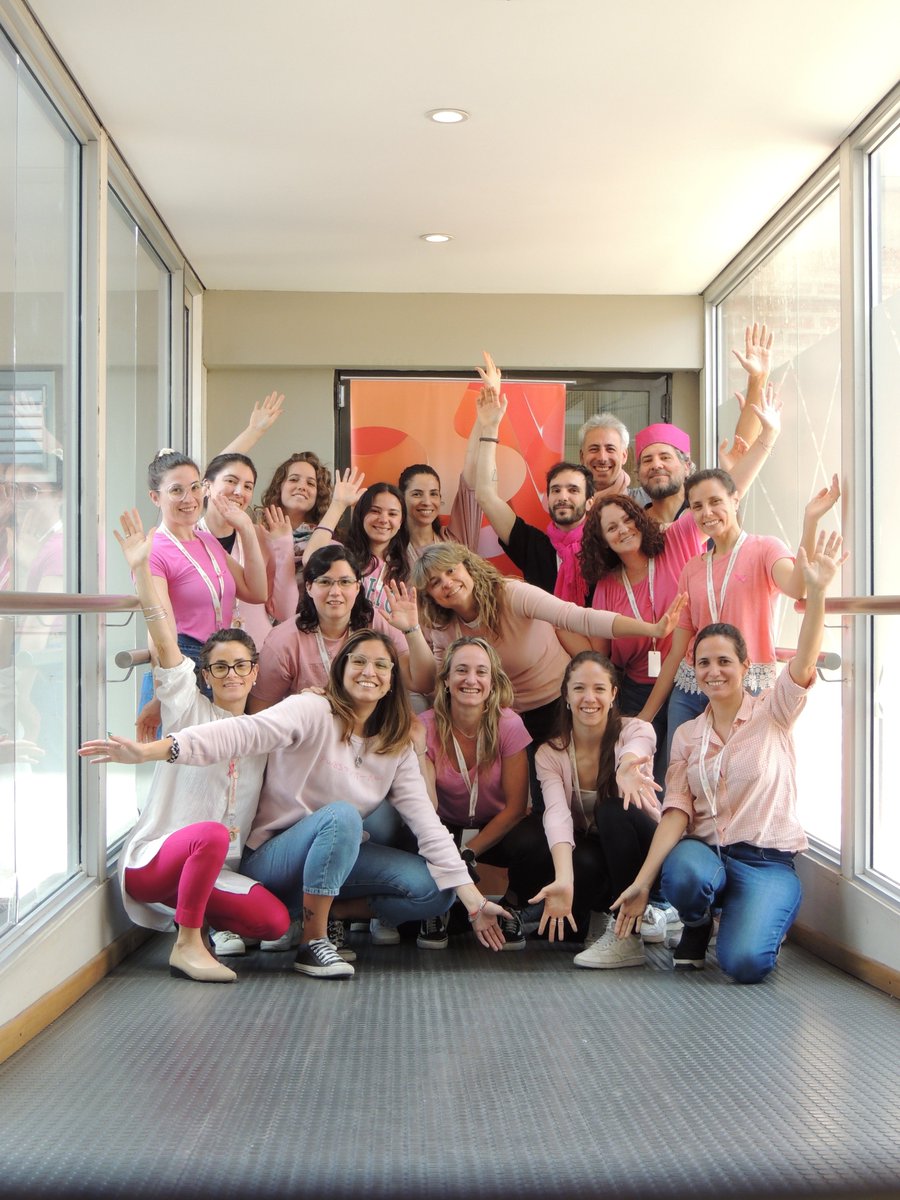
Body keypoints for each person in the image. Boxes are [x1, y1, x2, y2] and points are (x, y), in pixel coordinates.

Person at [85, 629, 513, 979]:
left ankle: (324, 910)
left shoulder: (395, 744)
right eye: (359, 661)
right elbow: (238, 734)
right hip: (272, 857)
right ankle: (314, 941)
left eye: (381, 665)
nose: (370, 672)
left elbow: (427, 826)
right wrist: (156, 750)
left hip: (331, 858)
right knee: (342, 815)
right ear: (341, 669)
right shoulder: (311, 709)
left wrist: (474, 903)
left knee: (436, 890)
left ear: (391, 680)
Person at [611, 531, 847, 984]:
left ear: (744, 666)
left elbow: (803, 662)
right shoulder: (686, 735)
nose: (713, 672)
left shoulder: (773, 712)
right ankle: (697, 923)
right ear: (694, 671)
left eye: (724, 662)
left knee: (744, 965)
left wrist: (816, 593)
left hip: (765, 861)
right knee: (682, 872)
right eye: (703, 663)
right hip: (707, 855)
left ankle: (749, 916)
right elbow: (676, 813)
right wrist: (643, 882)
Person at [79, 509, 290, 984]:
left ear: (255, 672)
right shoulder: (187, 709)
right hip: (156, 862)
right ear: (206, 676)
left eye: (241, 666)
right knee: (210, 833)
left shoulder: (265, 732)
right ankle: (187, 943)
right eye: (220, 667)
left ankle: (196, 914)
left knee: (274, 923)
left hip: (214, 870)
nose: (232, 675)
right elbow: (164, 637)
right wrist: (140, 571)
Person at [578, 381, 783, 781]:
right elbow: (602, 653)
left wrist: (766, 436)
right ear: (599, 539)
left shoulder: (676, 540)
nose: (621, 531)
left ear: (641, 520)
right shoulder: (605, 586)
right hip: (638, 688)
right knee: (644, 779)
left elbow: (727, 487)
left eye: (626, 521)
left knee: (699, 775)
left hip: (693, 678)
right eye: (610, 528)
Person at [639, 466, 842, 760]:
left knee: (741, 779)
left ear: (735, 500)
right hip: (691, 689)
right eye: (697, 506)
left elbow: (799, 586)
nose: (707, 512)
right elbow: (677, 651)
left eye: (715, 501)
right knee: (681, 781)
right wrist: (646, 715)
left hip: (749, 689)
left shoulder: (764, 548)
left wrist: (810, 521)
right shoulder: (692, 568)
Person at [410, 543, 685, 752]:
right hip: (508, 719)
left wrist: (652, 629)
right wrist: (410, 630)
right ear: (430, 594)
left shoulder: (511, 594)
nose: (447, 583)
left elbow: (579, 617)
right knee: (538, 802)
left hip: (561, 706)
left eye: (450, 570)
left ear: (467, 567)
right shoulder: (443, 626)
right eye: (435, 582)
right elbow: (430, 683)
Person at [530, 651, 675, 968]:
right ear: (566, 695)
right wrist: (564, 880)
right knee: (571, 856)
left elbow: (640, 746)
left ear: (613, 695)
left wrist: (625, 768)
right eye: (579, 688)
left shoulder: (634, 730)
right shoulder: (550, 753)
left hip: (651, 852)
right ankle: (605, 913)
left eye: (599, 688)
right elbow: (557, 816)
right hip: (603, 851)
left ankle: (628, 938)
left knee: (613, 808)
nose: (589, 698)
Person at [414, 637, 553, 949]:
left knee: (538, 837)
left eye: (481, 672)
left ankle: (513, 907)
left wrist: (468, 852)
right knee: (408, 833)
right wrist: (449, 851)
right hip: (443, 826)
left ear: (493, 682)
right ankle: (438, 909)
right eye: (461, 670)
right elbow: (426, 808)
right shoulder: (425, 726)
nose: (471, 680)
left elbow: (517, 807)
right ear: (446, 680)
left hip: (497, 826)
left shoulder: (509, 725)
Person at [136, 450, 268, 735]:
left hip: (220, 665)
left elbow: (257, 591)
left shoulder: (207, 541)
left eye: (195, 487)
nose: (189, 498)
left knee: (218, 768)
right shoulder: (154, 550)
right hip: (181, 665)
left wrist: (245, 527)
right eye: (176, 490)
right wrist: (162, 693)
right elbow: (161, 629)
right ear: (155, 498)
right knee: (181, 772)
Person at [249, 544, 434, 711]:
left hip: (370, 730)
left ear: (357, 587)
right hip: (312, 734)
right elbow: (259, 710)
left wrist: (412, 630)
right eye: (325, 582)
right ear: (309, 587)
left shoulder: (375, 622)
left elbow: (423, 683)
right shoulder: (284, 641)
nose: (335, 592)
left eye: (345, 582)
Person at [472, 367, 593, 599]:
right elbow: (485, 496)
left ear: (590, 502)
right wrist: (490, 427)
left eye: (573, 490)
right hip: (544, 636)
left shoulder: (605, 547)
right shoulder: (533, 546)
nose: (563, 496)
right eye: (556, 490)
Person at [198, 451, 298, 649]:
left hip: (256, 654)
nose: (238, 492)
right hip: (200, 653)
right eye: (230, 481)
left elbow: (285, 611)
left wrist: (284, 547)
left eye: (247, 486)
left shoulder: (260, 536)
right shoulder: (188, 537)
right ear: (207, 486)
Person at [300, 474, 410, 615]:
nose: (383, 519)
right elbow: (310, 560)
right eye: (374, 511)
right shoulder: (342, 553)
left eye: (392, 514)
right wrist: (338, 504)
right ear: (361, 514)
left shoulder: (405, 568)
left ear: (401, 522)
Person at [259, 450, 334, 572]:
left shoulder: (327, 539)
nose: (302, 487)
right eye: (293, 479)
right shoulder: (256, 530)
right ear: (279, 486)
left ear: (318, 494)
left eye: (310, 483)